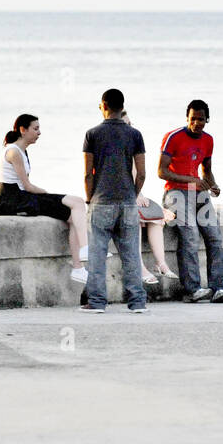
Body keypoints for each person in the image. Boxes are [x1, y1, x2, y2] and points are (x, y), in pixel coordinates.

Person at [0, 114, 89, 283]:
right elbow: (27, 186)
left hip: (19, 197)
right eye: (35, 129)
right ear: (23, 130)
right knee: (76, 203)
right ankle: (83, 252)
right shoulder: (13, 152)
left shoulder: (20, 151)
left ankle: (79, 266)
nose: (39, 133)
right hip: (15, 200)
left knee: (76, 209)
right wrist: (47, 194)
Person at [81, 88, 148, 313]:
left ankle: (97, 302)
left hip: (101, 201)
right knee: (130, 255)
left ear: (104, 106)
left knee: (97, 255)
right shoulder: (135, 134)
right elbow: (142, 174)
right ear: (122, 107)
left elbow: (87, 173)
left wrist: (90, 199)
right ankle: (137, 302)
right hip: (127, 202)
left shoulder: (92, 134)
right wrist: (133, 192)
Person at [159, 100, 223, 303]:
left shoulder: (208, 140)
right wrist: (192, 180)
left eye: (201, 119)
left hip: (199, 193)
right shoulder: (173, 137)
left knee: (214, 236)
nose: (196, 123)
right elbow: (161, 172)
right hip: (175, 193)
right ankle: (192, 290)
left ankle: (219, 288)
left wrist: (213, 185)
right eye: (193, 119)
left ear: (207, 119)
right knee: (190, 235)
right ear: (187, 118)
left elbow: (206, 170)